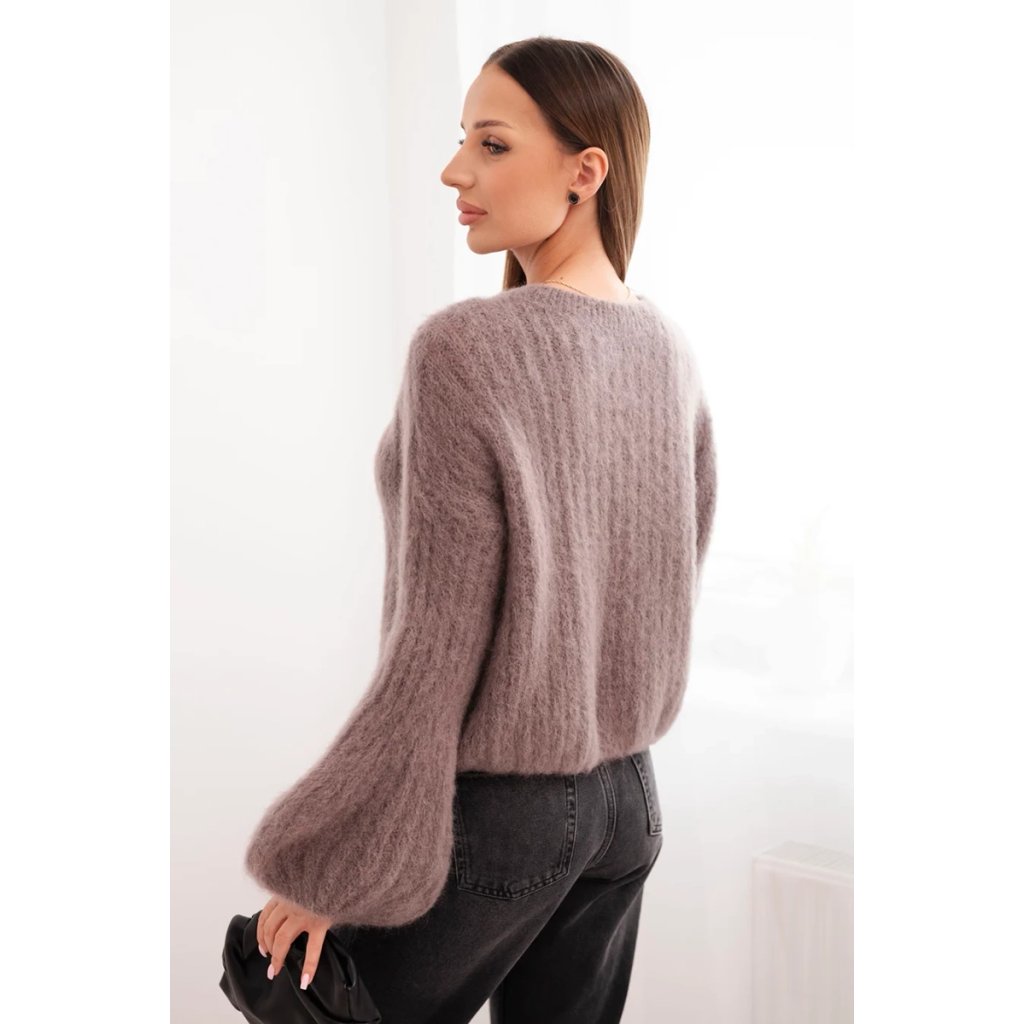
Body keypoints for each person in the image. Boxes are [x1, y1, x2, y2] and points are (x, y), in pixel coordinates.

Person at [242, 36, 718, 1024]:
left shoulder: (466, 348)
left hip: (508, 813)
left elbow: (436, 644)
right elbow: (676, 569)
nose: (455, 171)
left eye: (492, 145)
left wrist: (336, 865)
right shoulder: (667, 348)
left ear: (586, 172)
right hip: (631, 803)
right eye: (462, 139)